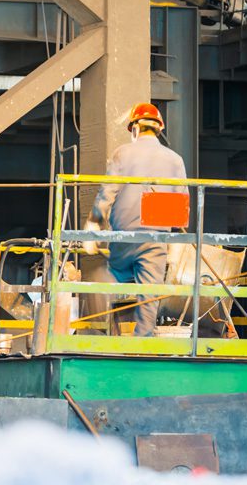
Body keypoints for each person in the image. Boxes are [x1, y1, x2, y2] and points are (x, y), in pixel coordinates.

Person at [88, 103, 188, 337]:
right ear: (159, 129)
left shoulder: (123, 153)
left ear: (135, 129)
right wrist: (174, 242)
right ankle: (143, 341)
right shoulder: (175, 160)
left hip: (125, 235)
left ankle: (100, 330)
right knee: (149, 294)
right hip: (155, 236)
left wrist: (94, 222)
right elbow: (180, 206)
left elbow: (108, 192)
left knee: (111, 275)